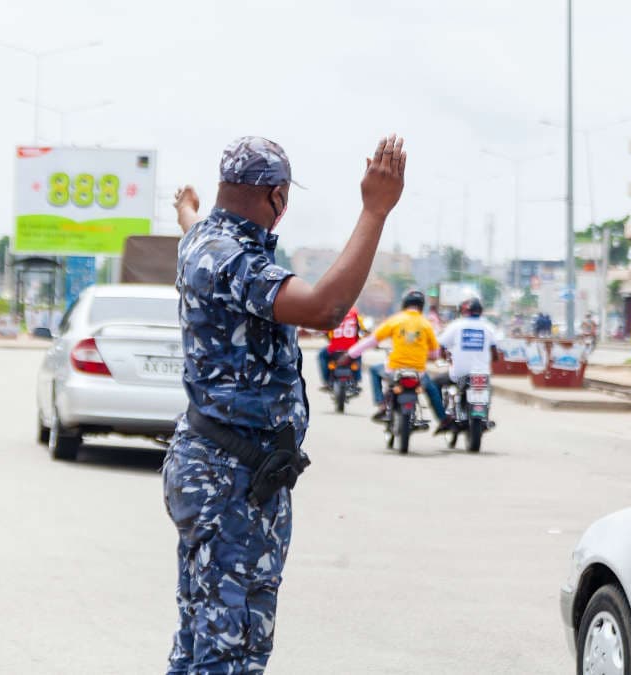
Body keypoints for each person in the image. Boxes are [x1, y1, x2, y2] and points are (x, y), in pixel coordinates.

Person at [164, 134, 407, 672]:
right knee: (232, 648)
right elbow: (323, 308)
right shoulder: (235, 260)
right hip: (234, 482)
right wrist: (375, 210)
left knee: (199, 637)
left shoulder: (201, 239)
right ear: (277, 197)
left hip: (208, 464)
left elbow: (188, 221)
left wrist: (187, 205)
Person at [344, 290, 445, 424]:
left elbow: (371, 340)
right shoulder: (426, 324)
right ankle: (444, 420)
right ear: (421, 306)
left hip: (394, 370)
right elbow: (435, 353)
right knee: (431, 389)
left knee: (374, 370)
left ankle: (381, 405)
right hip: (418, 372)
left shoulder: (395, 320)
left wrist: (350, 354)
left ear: (404, 304)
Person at [432, 297, 500, 419]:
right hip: (481, 374)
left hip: (459, 373)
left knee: (435, 383)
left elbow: (441, 346)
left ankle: (444, 417)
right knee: (488, 388)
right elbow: (495, 354)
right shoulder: (489, 327)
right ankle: (484, 417)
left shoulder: (456, 325)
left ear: (463, 311)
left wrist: (447, 359)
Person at [317, 305, 364, 390]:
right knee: (358, 355)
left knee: (321, 355)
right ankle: (357, 379)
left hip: (334, 349)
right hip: (351, 349)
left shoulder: (332, 313)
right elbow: (362, 329)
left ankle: (326, 380)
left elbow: (325, 330)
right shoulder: (355, 313)